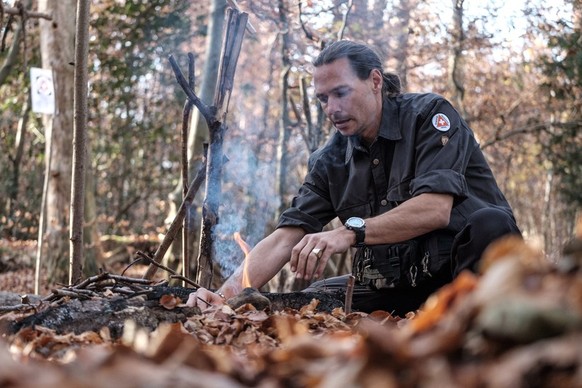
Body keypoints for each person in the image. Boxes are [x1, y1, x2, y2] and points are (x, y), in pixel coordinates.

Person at [187, 40, 521, 316]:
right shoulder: (329, 160)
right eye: (323, 98)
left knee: (491, 224)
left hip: (461, 276)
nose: (331, 108)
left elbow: (434, 209)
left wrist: (349, 234)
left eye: (341, 93)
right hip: (395, 289)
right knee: (310, 302)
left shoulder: (429, 116)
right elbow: (285, 237)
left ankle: (484, 331)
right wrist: (225, 294)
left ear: (375, 82)